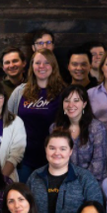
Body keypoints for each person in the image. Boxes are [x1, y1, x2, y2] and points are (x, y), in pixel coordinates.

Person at [26, 130, 103, 213]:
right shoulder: (34, 177)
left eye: (63, 149)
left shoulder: (85, 178)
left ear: (70, 151)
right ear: (45, 149)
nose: (57, 153)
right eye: (52, 148)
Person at [8, 49, 67, 182]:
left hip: (53, 158)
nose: (41, 66)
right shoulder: (20, 91)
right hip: (23, 158)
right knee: (24, 197)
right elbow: (7, 121)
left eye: (46, 63)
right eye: (37, 62)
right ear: (32, 66)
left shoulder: (63, 93)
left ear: (53, 66)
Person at [49, 85, 107, 181]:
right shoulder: (55, 128)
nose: (71, 105)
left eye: (76, 100)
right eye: (67, 101)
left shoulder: (97, 128)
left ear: (84, 104)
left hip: (92, 183)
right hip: (64, 181)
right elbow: (55, 161)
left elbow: (98, 167)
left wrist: (77, 185)